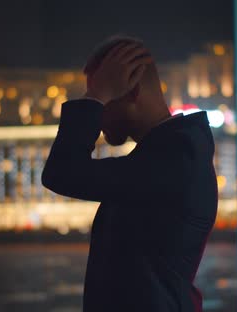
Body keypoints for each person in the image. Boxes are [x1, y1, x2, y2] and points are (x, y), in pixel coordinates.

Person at [42, 35, 218, 312]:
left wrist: (94, 97)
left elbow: (62, 173)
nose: (98, 117)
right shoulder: (168, 155)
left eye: (104, 99)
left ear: (132, 92)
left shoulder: (176, 159)